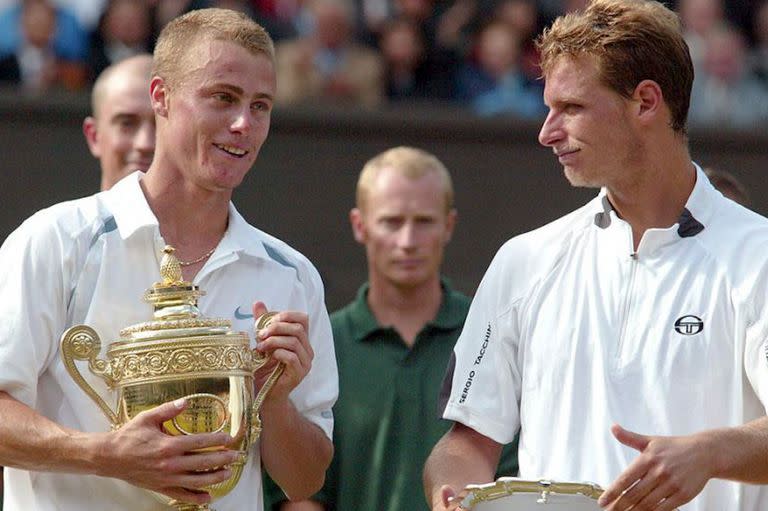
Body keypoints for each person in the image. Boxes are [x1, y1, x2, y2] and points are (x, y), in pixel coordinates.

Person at [423, 1, 768, 510]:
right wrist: (452, 497)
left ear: (646, 102)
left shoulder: (757, 255)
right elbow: (466, 444)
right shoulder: (524, 261)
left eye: (572, 108)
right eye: (548, 107)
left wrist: (711, 452)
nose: (547, 132)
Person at [0, 8, 337, 511]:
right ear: (162, 96)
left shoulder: (291, 275)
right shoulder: (57, 240)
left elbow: (305, 480)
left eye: (261, 105)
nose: (244, 123)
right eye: (222, 98)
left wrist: (278, 399)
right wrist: (105, 454)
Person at [264, 147, 518, 511]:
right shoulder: (320, 346)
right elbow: (298, 494)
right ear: (360, 225)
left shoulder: (489, 338)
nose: (408, 241)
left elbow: (513, 486)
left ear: (449, 226)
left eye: (424, 221)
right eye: (392, 221)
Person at [82, 52, 155, 191]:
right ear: (94, 136)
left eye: (161, 125)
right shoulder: (62, 214)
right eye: (127, 123)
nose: (145, 144)